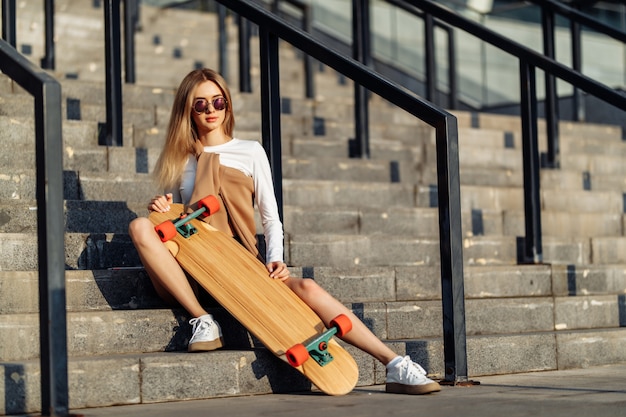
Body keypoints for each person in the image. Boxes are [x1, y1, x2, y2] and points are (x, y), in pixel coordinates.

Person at [128, 68, 441, 395]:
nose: (211, 110)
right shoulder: (180, 159)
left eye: (218, 101)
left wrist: (275, 258)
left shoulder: (250, 151)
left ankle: (395, 365)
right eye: (200, 104)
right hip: (193, 268)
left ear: (228, 105)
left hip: (238, 260)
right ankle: (202, 319)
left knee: (305, 285)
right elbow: (174, 217)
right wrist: (161, 205)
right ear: (187, 111)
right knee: (139, 225)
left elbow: (270, 216)